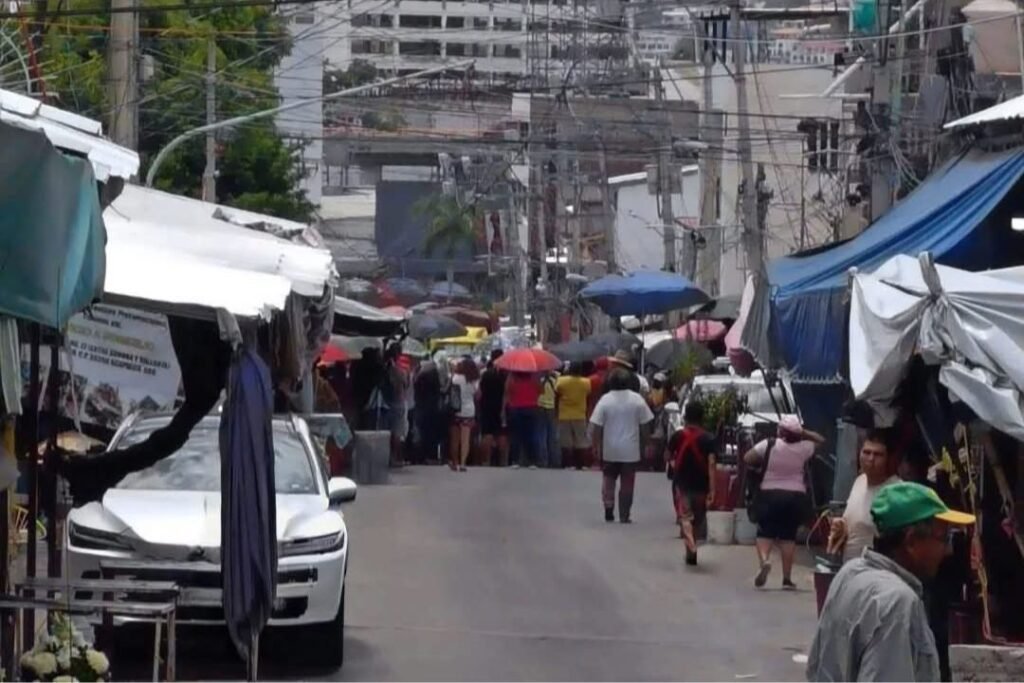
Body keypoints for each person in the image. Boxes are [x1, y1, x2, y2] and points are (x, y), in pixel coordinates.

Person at [807, 482, 974, 682]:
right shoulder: (897, 601)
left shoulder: (850, 572)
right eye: (943, 538)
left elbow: (817, 667)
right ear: (911, 541)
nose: (947, 550)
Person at [743, 415, 824, 589]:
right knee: (788, 537)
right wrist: (802, 432)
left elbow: (747, 458)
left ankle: (765, 561)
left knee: (764, 534)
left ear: (781, 431)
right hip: (795, 497)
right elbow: (821, 440)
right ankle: (787, 579)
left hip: (769, 494)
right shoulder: (805, 448)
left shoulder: (769, 444)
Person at [590, 367, 654, 524]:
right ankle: (624, 515)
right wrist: (648, 443)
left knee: (609, 479)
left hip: (610, 449)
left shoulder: (605, 399)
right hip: (630, 451)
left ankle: (609, 508)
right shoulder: (637, 399)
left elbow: (597, 425)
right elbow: (645, 425)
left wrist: (596, 445)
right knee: (627, 483)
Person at [828, 430, 902, 563]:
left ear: (889, 459)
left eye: (878, 454)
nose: (871, 459)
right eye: (866, 452)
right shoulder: (860, 481)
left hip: (876, 569)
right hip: (850, 567)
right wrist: (840, 527)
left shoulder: (897, 491)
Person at [667, 402, 717, 566]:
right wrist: (713, 489)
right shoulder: (709, 438)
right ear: (702, 418)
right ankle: (691, 553)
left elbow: (667, 456)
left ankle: (691, 545)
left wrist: (674, 464)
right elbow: (711, 464)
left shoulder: (677, 436)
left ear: (685, 416)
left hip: (682, 484)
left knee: (686, 517)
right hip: (702, 485)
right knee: (698, 519)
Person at [555, 363, 592, 470]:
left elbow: (557, 394)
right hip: (580, 414)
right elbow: (588, 395)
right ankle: (581, 464)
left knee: (566, 441)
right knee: (581, 440)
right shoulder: (586, 382)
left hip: (564, 414)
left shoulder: (561, 381)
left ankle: (567, 464)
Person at [478, 350, 508, 466]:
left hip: (486, 406)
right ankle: (503, 461)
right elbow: (507, 393)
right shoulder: (505, 375)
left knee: (487, 433)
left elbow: (480, 392)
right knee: (502, 433)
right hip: (501, 407)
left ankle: (487, 460)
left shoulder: (486, 374)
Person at [505, 371, 541, 469]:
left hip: (516, 408)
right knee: (531, 435)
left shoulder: (513, 380)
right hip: (532, 407)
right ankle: (532, 461)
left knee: (516, 435)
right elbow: (540, 391)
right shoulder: (534, 379)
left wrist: (510, 376)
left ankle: (515, 460)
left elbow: (508, 391)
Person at [449, 357, 479, 472]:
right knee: (465, 440)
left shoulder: (455, 378)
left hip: (456, 410)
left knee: (455, 439)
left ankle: (455, 462)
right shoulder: (473, 380)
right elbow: (478, 395)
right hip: (469, 411)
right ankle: (463, 464)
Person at [413, 359, 443, 464]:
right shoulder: (435, 379)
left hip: (421, 409)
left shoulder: (419, 379)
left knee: (422, 434)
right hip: (433, 410)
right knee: (432, 434)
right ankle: (432, 456)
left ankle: (420, 456)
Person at [537, 370, 559, 468]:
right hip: (551, 408)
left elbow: (538, 392)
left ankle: (543, 460)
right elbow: (557, 393)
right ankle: (553, 460)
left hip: (540, 407)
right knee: (552, 434)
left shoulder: (539, 379)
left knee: (542, 434)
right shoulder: (555, 379)